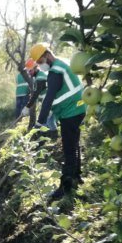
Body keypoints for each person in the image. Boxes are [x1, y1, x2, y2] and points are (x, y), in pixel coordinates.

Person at [29, 42, 86, 200]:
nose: (40, 66)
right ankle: (77, 176)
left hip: (71, 112)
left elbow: (49, 98)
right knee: (74, 143)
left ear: (47, 55)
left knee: (69, 149)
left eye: (40, 62)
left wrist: (40, 122)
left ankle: (65, 187)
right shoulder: (62, 64)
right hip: (78, 109)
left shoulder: (55, 71)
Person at [20, 58, 57, 138]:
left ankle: (41, 141)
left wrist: (27, 106)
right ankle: (54, 137)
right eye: (28, 71)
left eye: (30, 70)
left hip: (49, 103)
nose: (29, 73)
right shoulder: (39, 76)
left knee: (43, 123)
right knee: (50, 122)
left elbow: (36, 94)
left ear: (35, 68)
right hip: (49, 102)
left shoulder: (40, 78)